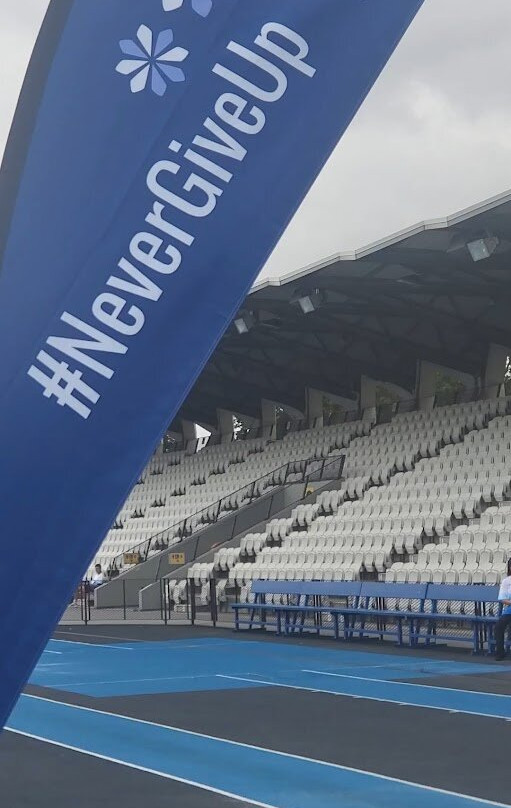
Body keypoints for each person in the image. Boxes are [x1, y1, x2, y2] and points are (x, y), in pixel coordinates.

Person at [495, 559, 511, 660]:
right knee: (498, 627)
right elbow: (503, 599)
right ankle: (500, 653)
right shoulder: (506, 581)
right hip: (509, 611)